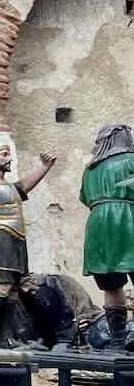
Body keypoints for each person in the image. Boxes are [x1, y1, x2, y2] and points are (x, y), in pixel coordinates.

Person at [0, 138, 56, 348]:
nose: (9, 158)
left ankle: (5, 338)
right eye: (4, 154)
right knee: (2, 287)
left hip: (16, 240)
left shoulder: (8, 187)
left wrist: (44, 167)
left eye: (8, 154)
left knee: (13, 291)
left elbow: (25, 186)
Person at [80, 123, 134, 351]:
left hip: (98, 225)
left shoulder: (90, 169)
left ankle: (118, 343)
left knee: (111, 287)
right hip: (127, 219)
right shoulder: (132, 160)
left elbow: (85, 198)